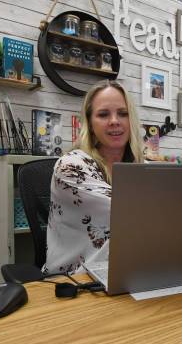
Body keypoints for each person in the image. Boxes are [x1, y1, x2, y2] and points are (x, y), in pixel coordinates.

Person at [43, 81, 144, 275]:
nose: (115, 121)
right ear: (89, 123)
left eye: (123, 113)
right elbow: (136, 214)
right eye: (103, 114)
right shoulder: (71, 167)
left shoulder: (141, 167)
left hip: (127, 273)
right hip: (75, 282)